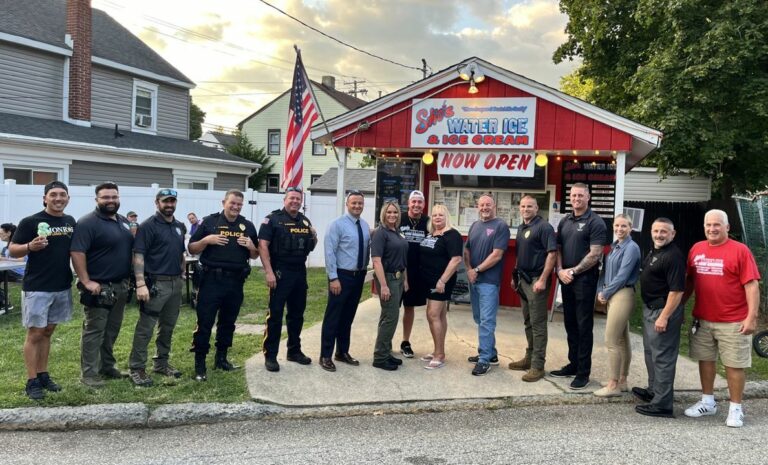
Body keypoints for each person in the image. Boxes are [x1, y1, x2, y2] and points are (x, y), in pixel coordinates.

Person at [682, 209, 760, 428]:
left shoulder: (740, 251)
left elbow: (751, 285)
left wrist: (751, 317)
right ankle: (708, 401)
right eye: (708, 225)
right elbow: (689, 282)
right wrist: (679, 308)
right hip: (703, 319)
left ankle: (736, 408)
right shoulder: (696, 249)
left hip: (733, 320)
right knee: (705, 360)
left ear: (727, 227)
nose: (712, 229)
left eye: (717, 225)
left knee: (734, 365)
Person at [10, 181, 75, 400]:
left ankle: (43, 374)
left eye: (62, 195)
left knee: (48, 331)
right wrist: (29, 247)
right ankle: (32, 380)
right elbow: (12, 250)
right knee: (35, 333)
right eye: (53, 194)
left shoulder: (69, 222)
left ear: (68, 198)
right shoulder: (31, 221)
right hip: (38, 286)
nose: (58, 198)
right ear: (45, 198)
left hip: (61, 284)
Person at [188, 189, 258, 381]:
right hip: (211, 281)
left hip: (235, 282)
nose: (235, 207)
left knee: (228, 323)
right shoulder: (209, 222)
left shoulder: (247, 225)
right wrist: (206, 240)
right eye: (232, 203)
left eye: (239, 204)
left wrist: (251, 246)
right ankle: (200, 365)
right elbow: (192, 249)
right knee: (205, 323)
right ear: (224, 202)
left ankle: (221, 358)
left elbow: (255, 254)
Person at [71, 182, 134, 388]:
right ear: (96, 199)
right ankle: (89, 374)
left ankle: (107, 366)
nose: (110, 201)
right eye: (105, 197)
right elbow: (77, 252)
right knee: (94, 331)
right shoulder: (87, 223)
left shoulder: (122, 222)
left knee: (111, 330)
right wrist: (86, 280)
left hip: (120, 286)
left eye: (114, 197)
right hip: (99, 288)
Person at [127, 188, 186, 386]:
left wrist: (182, 271)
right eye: (165, 201)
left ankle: (161, 363)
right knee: (146, 328)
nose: (169, 205)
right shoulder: (148, 226)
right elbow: (139, 255)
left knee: (167, 326)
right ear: (157, 203)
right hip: (155, 284)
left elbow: (180, 252)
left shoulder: (179, 226)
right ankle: (137, 368)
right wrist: (140, 283)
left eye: (172, 201)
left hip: (175, 283)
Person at [551, 183, 607, 390]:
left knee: (584, 327)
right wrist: (559, 271)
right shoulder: (565, 220)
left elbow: (595, 254)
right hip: (565, 279)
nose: (576, 198)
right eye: (573, 195)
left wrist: (573, 271)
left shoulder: (596, 222)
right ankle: (573, 364)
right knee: (570, 324)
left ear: (588, 197)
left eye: (580, 195)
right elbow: (557, 248)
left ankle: (583, 372)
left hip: (584, 281)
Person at [259, 186, 317, 372]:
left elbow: (311, 245)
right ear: (285, 200)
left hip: (299, 272)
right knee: (275, 315)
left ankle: (294, 351)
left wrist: (314, 236)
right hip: (280, 272)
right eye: (291, 198)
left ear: (301, 201)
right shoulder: (272, 219)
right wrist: (269, 272)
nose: (295, 201)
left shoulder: (304, 220)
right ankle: (270, 355)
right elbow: (263, 246)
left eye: (298, 199)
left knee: (297, 315)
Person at [633, 217, 686, 418]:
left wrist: (663, 317)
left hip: (662, 311)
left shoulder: (673, 256)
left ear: (672, 234)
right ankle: (654, 391)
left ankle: (663, 404)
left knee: (662, 357)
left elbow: (677, 292)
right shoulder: (656, 250)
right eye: (656, 231)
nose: (659, 235)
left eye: (664, 231)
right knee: (651, 353)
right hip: (650, 310)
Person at [320, 190, 371, 372]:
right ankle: (325, 355)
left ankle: (342, 352)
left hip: (358, 277)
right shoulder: (336, 225)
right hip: (341, 276)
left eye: (360, 203)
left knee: (348, 317)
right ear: (347, 204)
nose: (357, 206)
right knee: (333, 317)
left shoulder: (364, 226)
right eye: (354, 203)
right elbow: (329, 252)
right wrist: (333, 277)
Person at [508, 195, 557, 382]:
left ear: (537, 208)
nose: (526, 209)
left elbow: (552, 254)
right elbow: (521, 255)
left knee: (538, 325)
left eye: (530, 206)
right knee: (528, 322)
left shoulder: (544, 227)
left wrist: (543, 279)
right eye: (523, 206)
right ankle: (528, 358)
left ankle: (538, 365)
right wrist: (515, 276)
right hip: (523, 280)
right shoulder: (522, 228)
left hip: (537, 280)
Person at [593, 213, 640, 397]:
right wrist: (600, 289)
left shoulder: (631, 248)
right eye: (617, 226)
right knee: (622, 339)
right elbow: (604, 271)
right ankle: (623, 381)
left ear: (631, 228)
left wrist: (606, 292)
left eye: (624, 226)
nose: (620, 229)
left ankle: (613, 385)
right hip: (611, 293)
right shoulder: (614, 247)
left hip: (622, 294)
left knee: (611, 340)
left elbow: (622, 275)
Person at [464, 194, 510, 376]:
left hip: (489, 282)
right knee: (479, 318)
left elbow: (497, 254)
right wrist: (468, 269)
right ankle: (491, 354)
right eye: (482, 205)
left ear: (494, 206)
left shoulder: (500, 226)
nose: (484, 208)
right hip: (473, 280)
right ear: (478, 207)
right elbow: (467, 249)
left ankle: (484, 360)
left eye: (488, 205)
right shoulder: (475, 225)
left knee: (486, 321)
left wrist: (476, 270)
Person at [419, 204, 463, 370]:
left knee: (433, 314)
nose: (437, 218)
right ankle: (438, 349)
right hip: (429, 280)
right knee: (438, 315)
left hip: (441, 281)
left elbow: (456, 259)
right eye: (435, 215)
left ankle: (439, 355)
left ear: (447, 218)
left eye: (441, 215)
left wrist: (442, 281)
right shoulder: (432, 234)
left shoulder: (451, 235)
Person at [371, 201, 409, 371]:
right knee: (390, 318)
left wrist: (405, 279)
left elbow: (402, 257)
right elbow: (377, 261)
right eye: (389, 212)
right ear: (383, 214)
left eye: (395, 212)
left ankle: (385, 352)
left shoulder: (397, 232)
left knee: (388, 316)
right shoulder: (381, 233)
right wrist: (384, 286)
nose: (392, 215)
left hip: (399, 278)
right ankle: (380, 358)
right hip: (388, 279)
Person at [398, 189, 428, 358]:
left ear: (423, 205)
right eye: (413, 201)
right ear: (408, 203)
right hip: (397, 270)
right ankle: (384, 342)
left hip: (417, 273)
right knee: (391, 310)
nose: (416, 204)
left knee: (409, 307)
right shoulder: (398, 218)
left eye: (419, 202)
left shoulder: (428, 221)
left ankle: (405, 342)